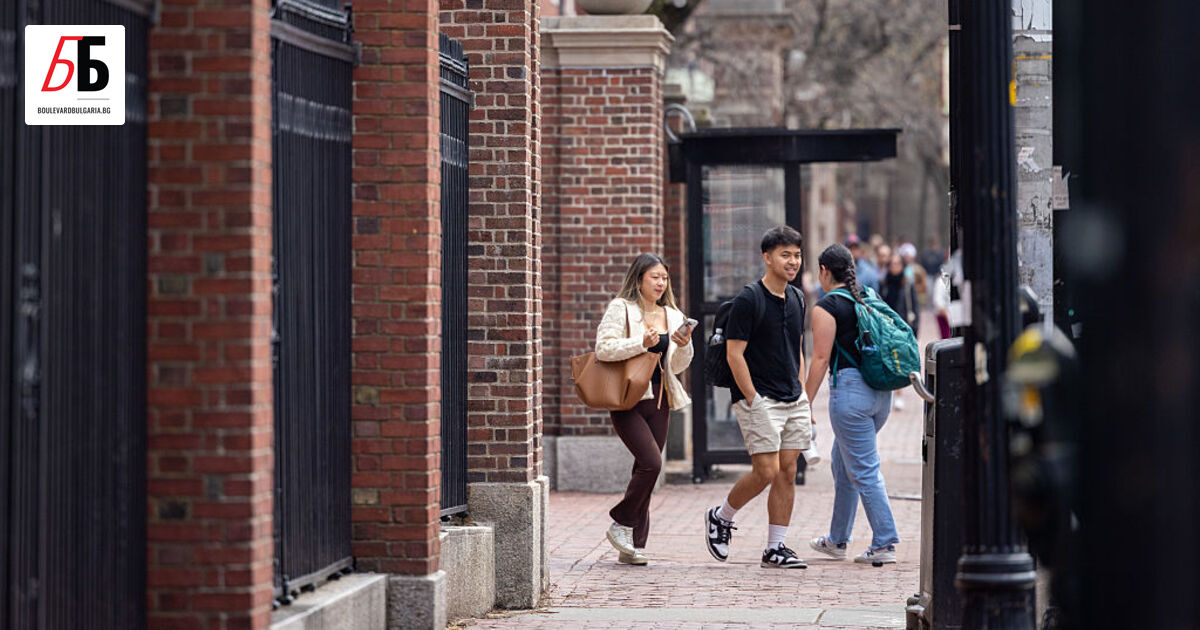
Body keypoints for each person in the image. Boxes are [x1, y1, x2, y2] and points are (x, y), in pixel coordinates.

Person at [704, 226, 813, 569]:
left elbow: (797, 350)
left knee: (786, 471)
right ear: (767, 257)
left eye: (796, 255)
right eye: (785, 254)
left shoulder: (797, 298)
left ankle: (775, 548)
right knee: (765, 470)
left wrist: (803, 396)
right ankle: (721, 516)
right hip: (757, 397)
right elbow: (735, 355)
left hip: (792, 397)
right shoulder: (749, 299)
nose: (792, 261)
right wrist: (752, 399)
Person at [804, 243, 901, 565]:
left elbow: (819, 359)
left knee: (864, 470)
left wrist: (805, 402)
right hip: (880, 394)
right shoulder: (868, 296)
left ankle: (885, 543)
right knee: (842, 464)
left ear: (823, 271)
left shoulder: (827, 306)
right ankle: (837, 540)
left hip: (850, 394)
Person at [596, 253, 694, 566]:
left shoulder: (673, 314)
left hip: (660, 399)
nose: (661, 283)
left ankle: (633, 546)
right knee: (652, 464)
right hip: (627, 398)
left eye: (664, 278)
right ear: (639, 279)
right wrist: (640, 342)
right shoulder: (621, 308)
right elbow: (604, 348)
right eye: (655, 276)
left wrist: (683, 343)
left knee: (644, 471)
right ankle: (621, 522)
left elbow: (678, 365)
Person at [880, 253, 918, 337]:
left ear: (903, 265)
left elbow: (915, 308)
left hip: (904, 328)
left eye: (897, 263)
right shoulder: (884, 284)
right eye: (892, 263)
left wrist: (915, 331)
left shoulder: (908, 285)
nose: (894, 266)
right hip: (887, 330)